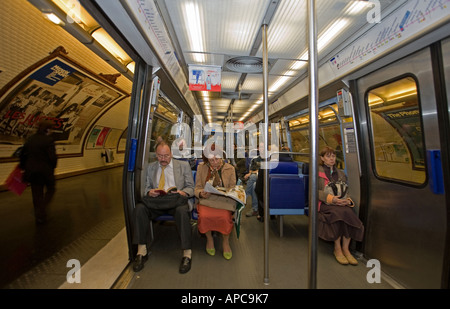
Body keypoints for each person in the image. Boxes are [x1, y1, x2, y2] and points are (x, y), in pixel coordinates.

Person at [132, 141, 195, 273]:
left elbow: (191, 187)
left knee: (182, 211)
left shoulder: (183, 166)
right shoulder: (151, 167)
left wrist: (183, 192)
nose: (163, 159)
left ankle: (186, 253)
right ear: (156, 155)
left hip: (176, 201)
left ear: (171, 154)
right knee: (139, 209)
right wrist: (149, 192)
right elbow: (147, 188)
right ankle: (141, 251)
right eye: (160, 156)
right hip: (157, 202)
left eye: (166, 156)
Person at [317, 146, 364, 265]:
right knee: (338, 213)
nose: (331, 158)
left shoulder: (341, 174)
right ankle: (337, 248)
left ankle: (346, 249)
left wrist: (347, 200)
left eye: (333, 156)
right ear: (322, 158)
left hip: (340, 202)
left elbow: (345, 190)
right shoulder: (317, 172)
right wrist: (332, 199)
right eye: (328, 156)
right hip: (324, 203)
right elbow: (314, 192)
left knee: (348, 212)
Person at [195, 144, 236, 260]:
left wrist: (226, 192)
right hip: (207, 200)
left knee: (224, 216)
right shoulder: (201, 167)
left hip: (224, 200)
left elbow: (233, 188)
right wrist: (201, 193)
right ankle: (209, 239)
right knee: (204, 216)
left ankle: (225, 242)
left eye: (217, 159)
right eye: (211, 160)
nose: (214, 162)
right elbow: (197, 187)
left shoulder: (230, 168)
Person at [19, 120, 57, 224]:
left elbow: (22, 155)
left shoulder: (30, 139)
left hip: (31, 171)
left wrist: (23, 167)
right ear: (48, 129)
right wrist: (52, 167)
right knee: (51, 189)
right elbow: (52, 157)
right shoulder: (48, 140)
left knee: (36, 194)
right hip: (45, 171)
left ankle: (39, 216)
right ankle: (42, 209)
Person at [244, 143, 263, 217]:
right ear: (258, 148)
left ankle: (245, 196)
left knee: (252, 177)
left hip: (266, 177)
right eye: (261, 147)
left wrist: (255, 172)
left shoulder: (270, 158)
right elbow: (250, 171)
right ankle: (255, 209)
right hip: (257, 178)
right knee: (254, 185)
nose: (262, 148)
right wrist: (253, 172)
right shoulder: (255, 159)